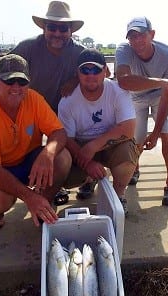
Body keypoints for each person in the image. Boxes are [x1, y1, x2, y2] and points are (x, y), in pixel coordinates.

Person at [0, 54, 71, 229]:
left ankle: (44, 202)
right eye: (9, 80)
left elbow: (58, 132)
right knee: (1, 200)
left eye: (22, 82)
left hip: (24, 158)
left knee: (63, 157)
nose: (16, 87)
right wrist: (28, 197)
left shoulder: (34, 99)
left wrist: (48, 154)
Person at [11, 1, 89, 204]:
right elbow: (4, 71)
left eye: (63, 28)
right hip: (31, 110)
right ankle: (25, 190)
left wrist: (75, 79)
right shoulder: (28, 47)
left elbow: (103, 73)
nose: (57, 33)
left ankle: (56, 186)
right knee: (25, 151)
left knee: (63, 153)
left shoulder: (79, 52)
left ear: (71, 31)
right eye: (51, 27)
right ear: (44, 28)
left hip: (63, 113)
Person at [58, 49, 140, 216]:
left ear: (105, 71)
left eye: (95, 69)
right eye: (85, 70)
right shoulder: (67, 101)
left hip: (111, 144)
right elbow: (66, 139)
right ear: (77, 73)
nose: (90, 75)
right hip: (80, 146)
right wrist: (87, 163)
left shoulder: (118, 92)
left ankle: (118, 195)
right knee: (62, 169)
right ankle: (88, 179)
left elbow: (129, 129)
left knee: (128, 153)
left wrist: (94, 145)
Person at [115, 16, 168, 206]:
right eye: (132, 37)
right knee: (135, 138)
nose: (137, 41)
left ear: (152, 34)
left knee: (166, 133)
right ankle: (134, 168)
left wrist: (155, 134)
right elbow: (124, 81)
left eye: (141, 35)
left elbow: (167, 97)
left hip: (161, 95)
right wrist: (160, 81)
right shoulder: (123, 50)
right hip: (136, 95)